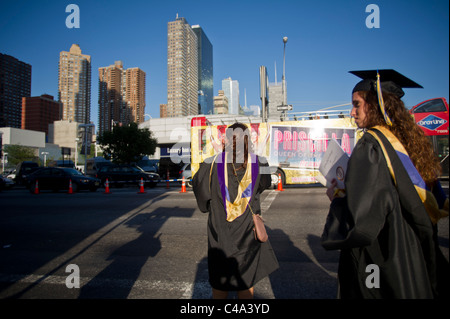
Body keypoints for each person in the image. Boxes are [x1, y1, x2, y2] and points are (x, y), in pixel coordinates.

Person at [321, 69, 449, 299]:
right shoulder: (413, 143)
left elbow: (361, 224)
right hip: (412, 256)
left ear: (376, 104)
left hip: (381, 255)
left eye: (357, 104)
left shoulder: (370, 146)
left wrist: (339, 200)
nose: (353, 112)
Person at [193, 122, 279, 299]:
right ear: (248, 141)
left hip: (220, 233)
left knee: (220, 281)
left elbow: (202, 197)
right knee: (246, 282)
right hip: (248, 233)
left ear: (225, 140)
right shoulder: (260, 163)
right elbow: (262, 186)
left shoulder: (210, 164)